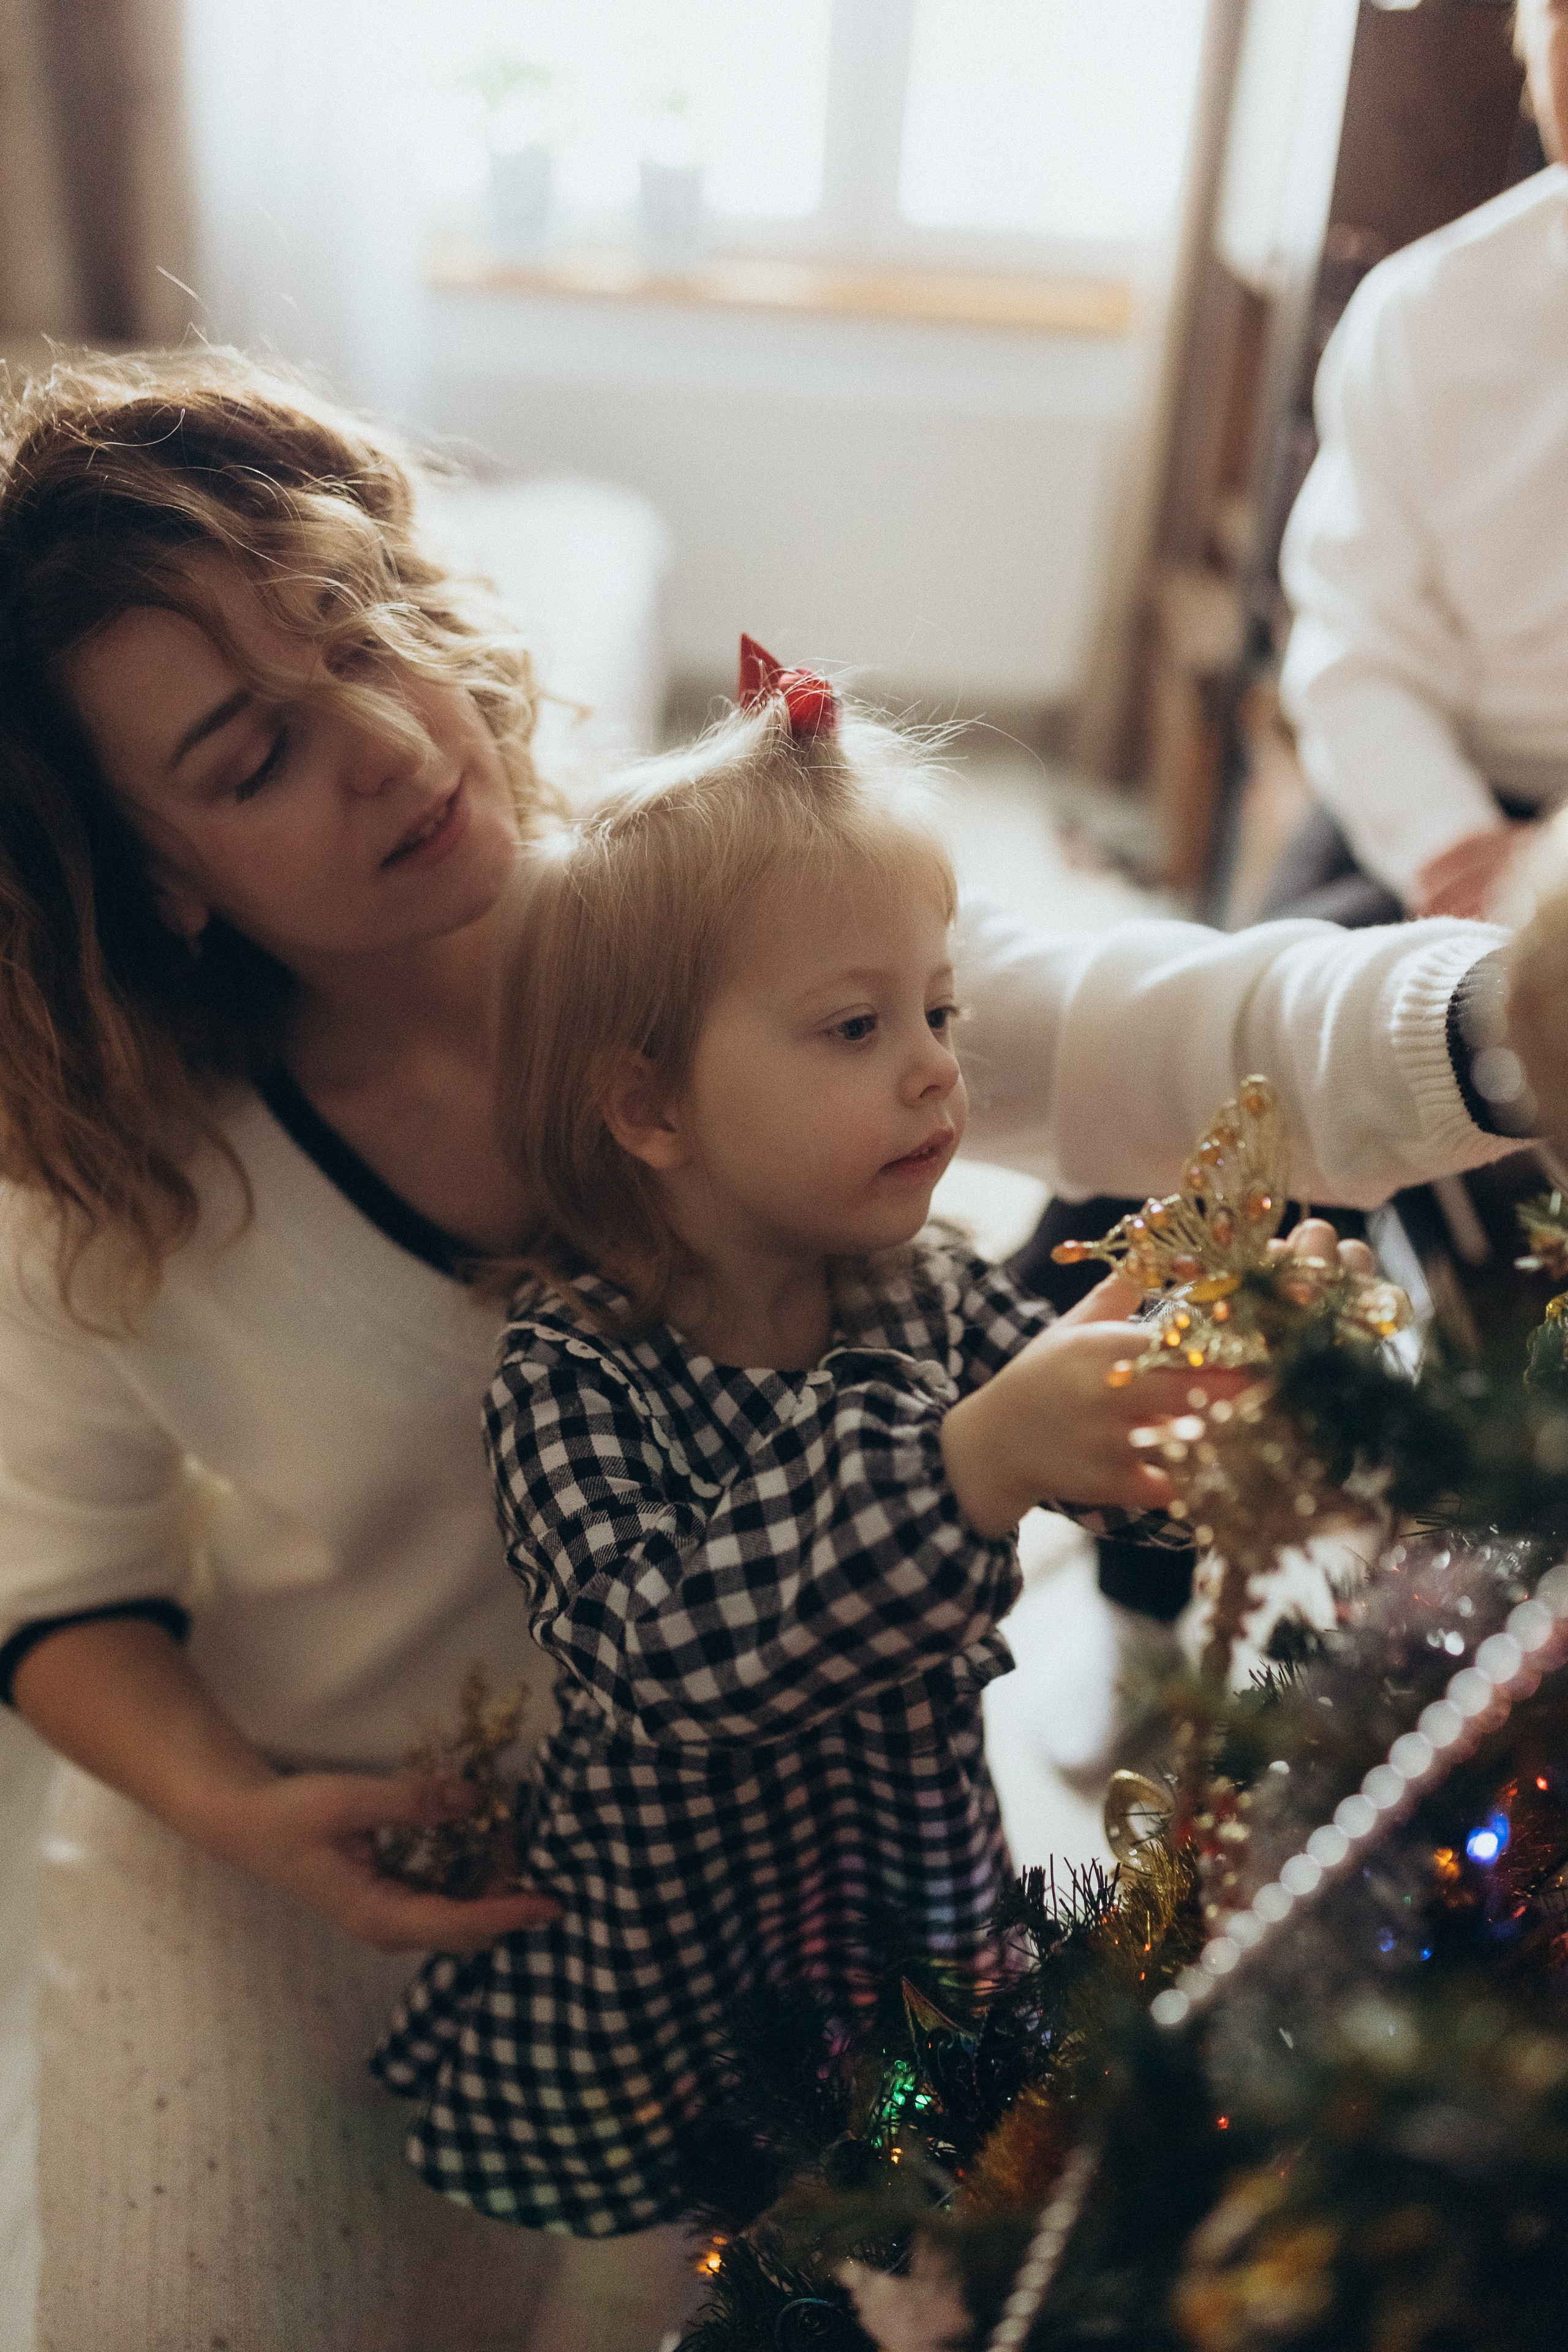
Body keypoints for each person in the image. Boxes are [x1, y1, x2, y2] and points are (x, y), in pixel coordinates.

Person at [0, 349, 1531, 2351]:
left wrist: (1506, 1022)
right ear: (155, 881)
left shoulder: (712, 927)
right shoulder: (111, 1193)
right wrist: (245, 1818)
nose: (381, 737)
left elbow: (1168, 1032)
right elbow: (61, 1582)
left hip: (750, 1876)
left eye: (351, 625)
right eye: (250, 757)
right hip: (314, 1828)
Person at [1265, 0, 1568, 931]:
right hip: (1452, 803)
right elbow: (1357, 639)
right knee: (1266, 1011)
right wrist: (1452, 845)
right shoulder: (1425, 313)